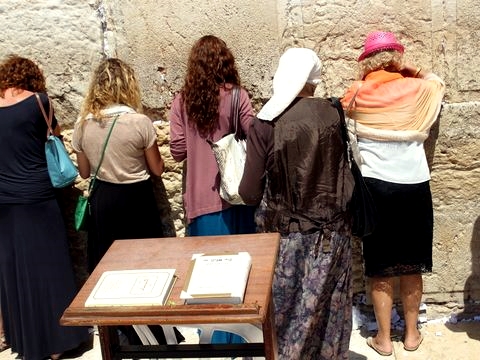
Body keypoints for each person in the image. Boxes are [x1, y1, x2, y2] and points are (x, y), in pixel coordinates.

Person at [239, 48, 355, 360]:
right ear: (313, 79)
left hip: (287, 240)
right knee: (330, 314)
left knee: (287, 318)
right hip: (335, 236)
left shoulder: (265, 122)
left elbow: (249, 193)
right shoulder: (334, 112)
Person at [341, 31, 445, 356]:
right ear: (397, 57)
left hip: (376, 189)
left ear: (367, 61)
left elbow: (345, 111)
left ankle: (384, 339)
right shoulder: (417, 89)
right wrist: (411, 69)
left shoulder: (357, 93)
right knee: (412, 265)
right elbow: (438, 83)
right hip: (414, 186)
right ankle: (412, 335)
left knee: (380, 266)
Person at [0, 55, 89, 360]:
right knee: (50, 267)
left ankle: (26, 341)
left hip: (5, 201)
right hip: (38, 196)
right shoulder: (40, 102)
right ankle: (58, 342)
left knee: (15, 272)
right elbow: (53, 135)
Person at [169, 35, 256, 344]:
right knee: (239, 272)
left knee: (208, 275)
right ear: (226, 63)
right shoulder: (237, 97)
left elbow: (178, 151)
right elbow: (254, 135)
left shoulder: (181, 101)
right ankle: (240, 340)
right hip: (234, 198)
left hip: (199, 199)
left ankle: (213, 340)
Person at [72, 58, 165, 273]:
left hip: (103, 199)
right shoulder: (140, 122)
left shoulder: (82, 125)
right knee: (144, 264)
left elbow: (85, 173)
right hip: (136, 198)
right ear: (128, 85)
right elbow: (157, 169)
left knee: (108, 267)